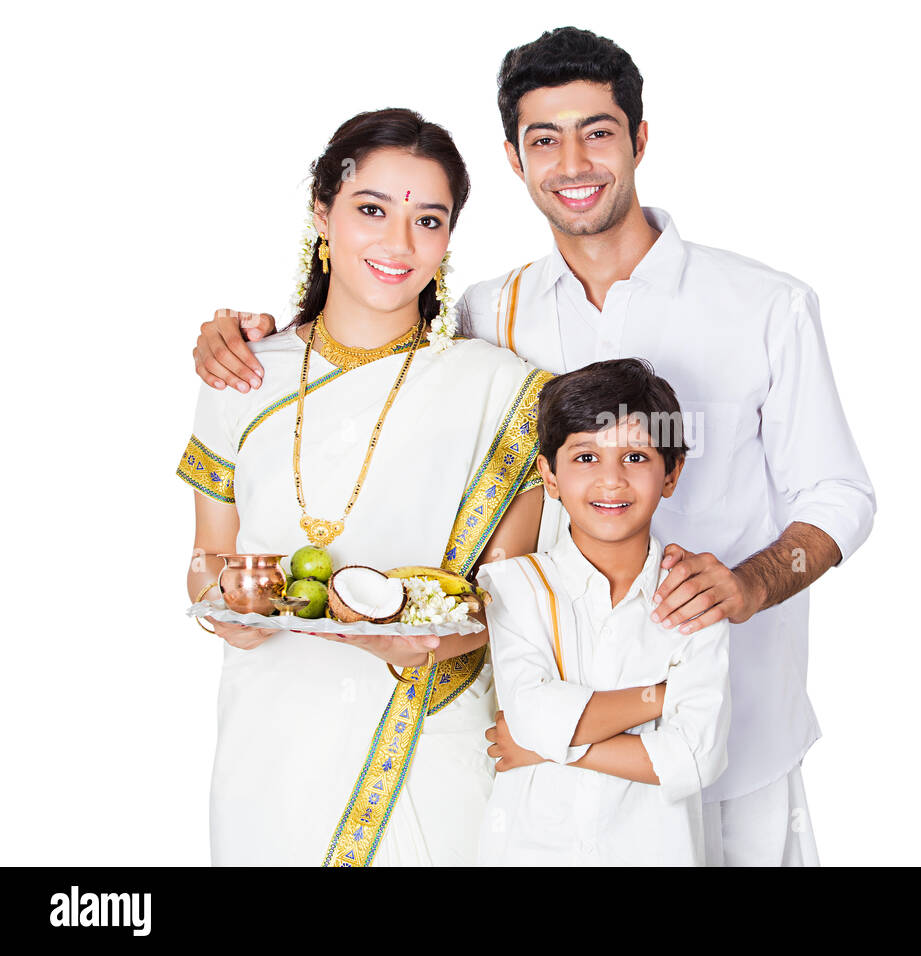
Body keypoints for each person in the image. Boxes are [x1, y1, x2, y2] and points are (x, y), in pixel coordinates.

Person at [191, 27, 875, 867]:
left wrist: (747, 585)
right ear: (516, 161)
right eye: (544, 140)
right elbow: (377, 360)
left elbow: (839, 496)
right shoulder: (496, 314)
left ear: (640, 140)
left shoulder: (763, 306)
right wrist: (247, 340)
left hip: (729, 725)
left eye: (598, 132)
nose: (574, 162)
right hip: (545, 738)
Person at [181, 108, 549, 866]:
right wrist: (228, 613)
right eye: (371, 210)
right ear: (323, 212)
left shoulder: (500, 389)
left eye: (428, 219)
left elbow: (516, 597)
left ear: (449, 240)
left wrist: (442, 636)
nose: (398, 243)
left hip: (429, 744)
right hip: (271, 749)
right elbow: (205, 559)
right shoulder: (242, 375)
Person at [476, 358, 730, 865]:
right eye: (586, 458)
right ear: (549, 474)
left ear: (672, 473)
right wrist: (662, 697)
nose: (611, 481)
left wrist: (549, 745)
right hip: (533, 850)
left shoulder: (694, 596)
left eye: (635, 457)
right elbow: (529, 715)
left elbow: (698, 757)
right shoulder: (515, 586)